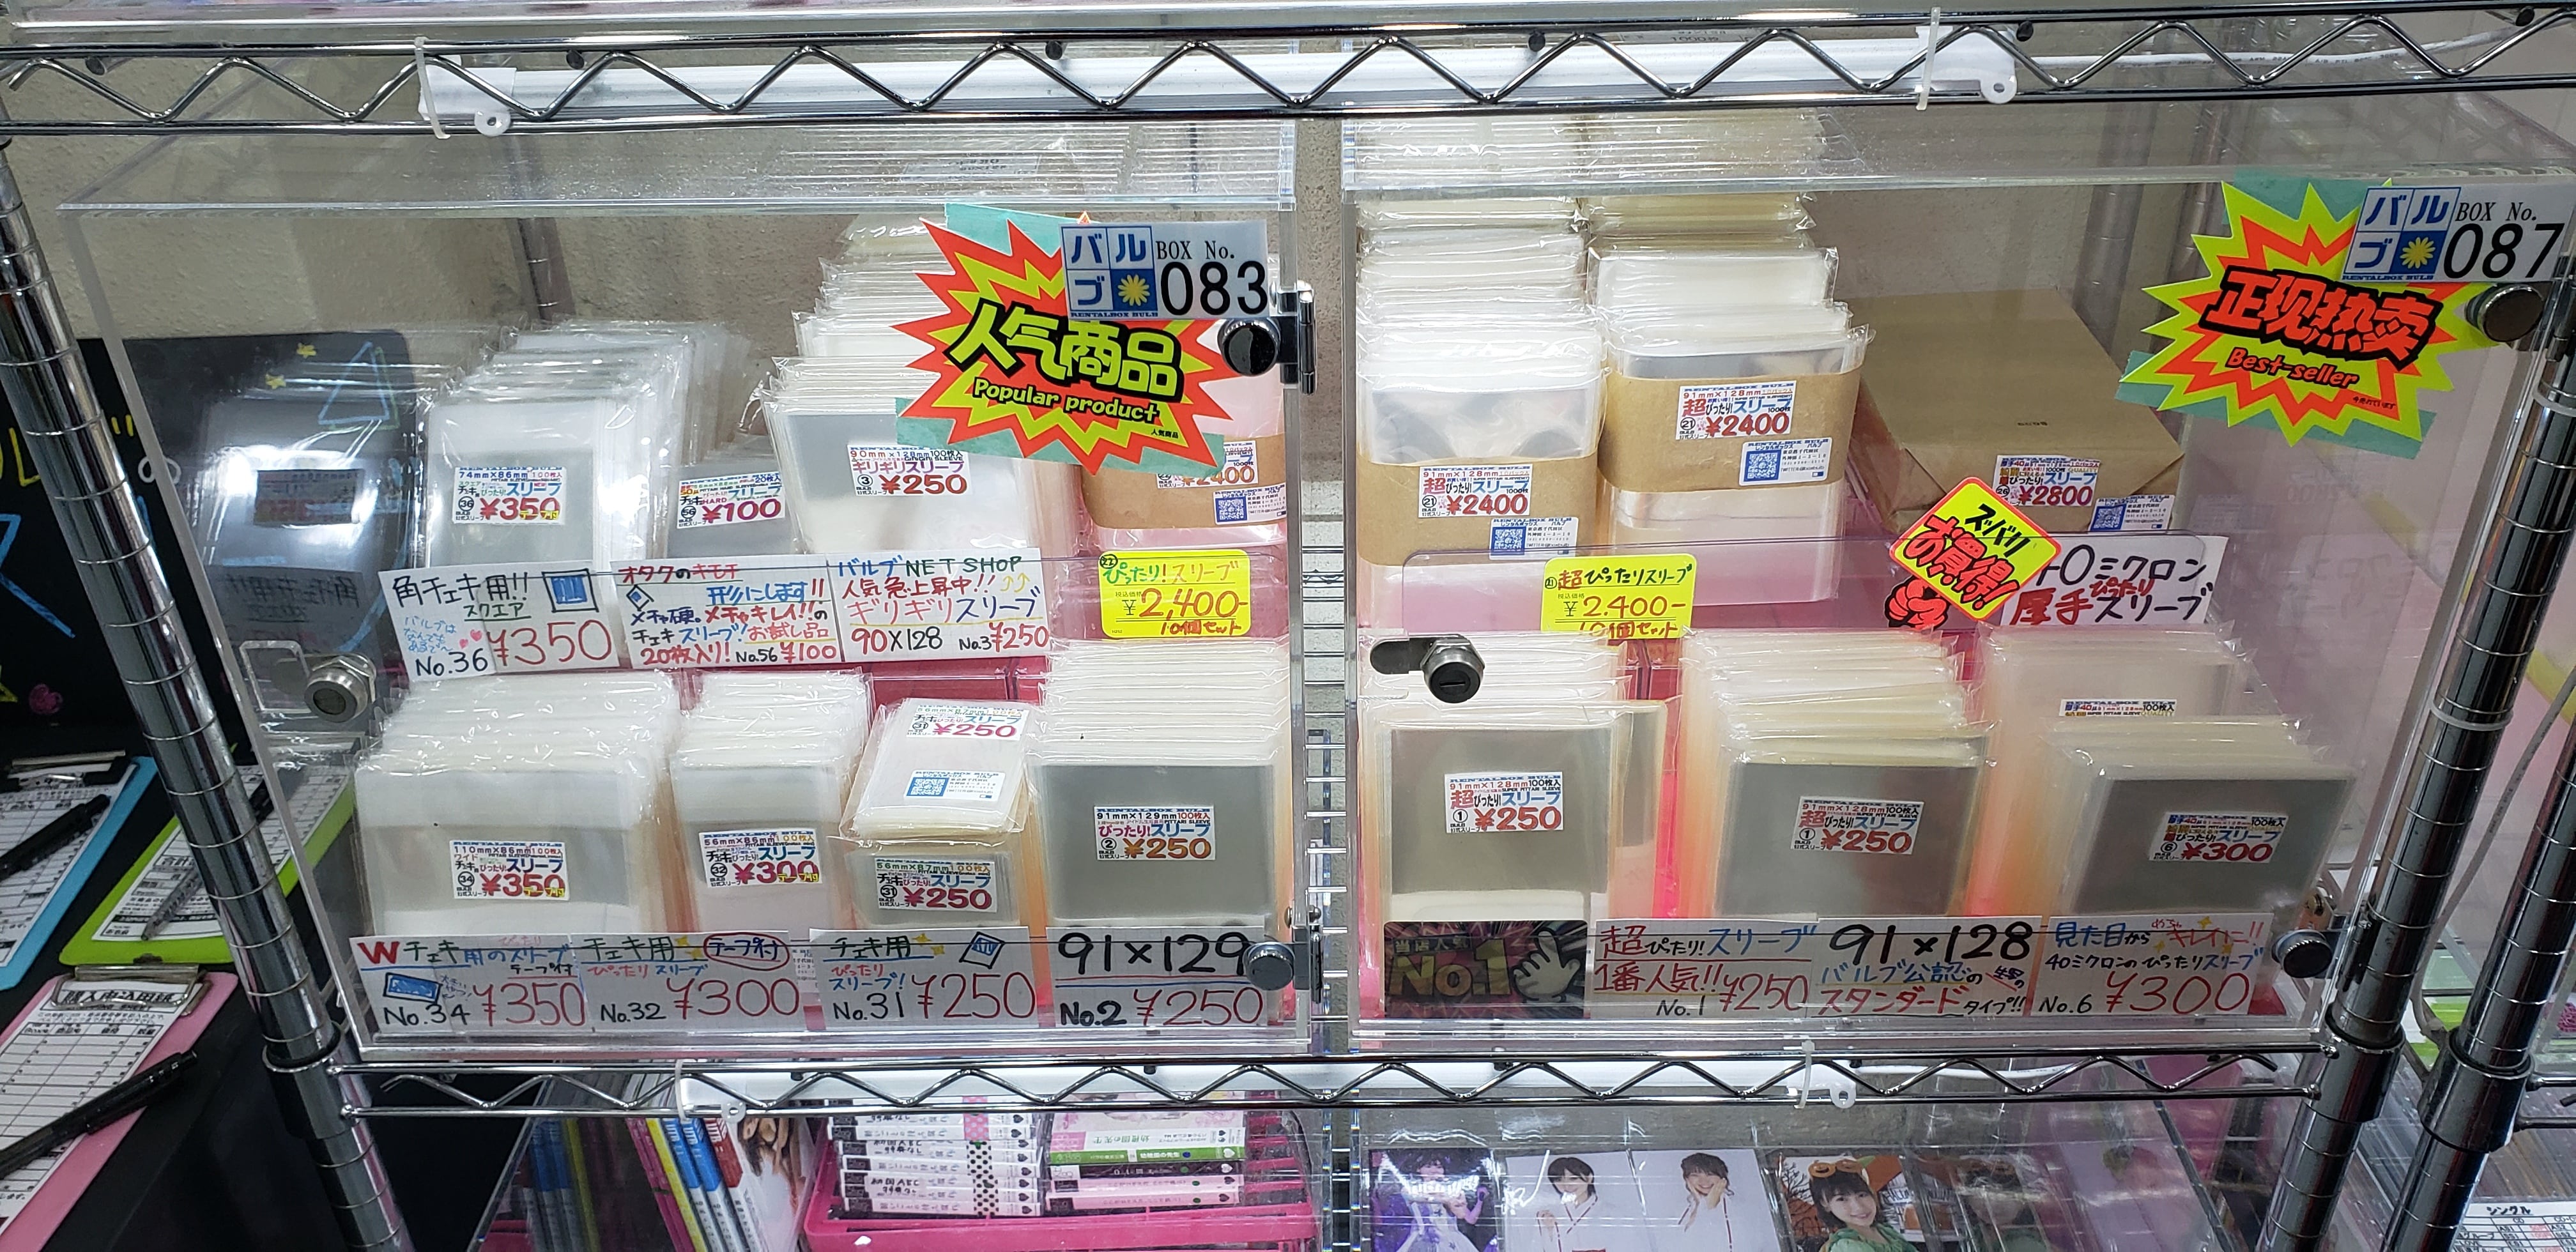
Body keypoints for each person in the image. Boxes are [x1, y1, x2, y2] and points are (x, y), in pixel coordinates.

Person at [1384, 1154, 1487, 1252]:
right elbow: (1421, 1198)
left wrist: (1480, 1200)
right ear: (1419, 1169)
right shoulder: (1410, 1190)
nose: (1434, 1170)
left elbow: (1470, 1219)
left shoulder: (1453, 1191)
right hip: (1422, 1240)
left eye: (1439, 1167)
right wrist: (1447, 1198)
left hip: (1451, 1241)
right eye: (1428, 1167)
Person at [1805, 1160, 1908, 1252]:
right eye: (1842, 1199)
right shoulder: (1847, 1247)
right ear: (1825, 1204)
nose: (1859, 1207)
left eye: (1862, 1195)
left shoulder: (1886, 1232)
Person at [1667, 1152, 1752, 1251]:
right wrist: (1701, 1205)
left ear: (1723, 1178)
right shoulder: (1680, 1210)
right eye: (1695, 1175)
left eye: (1710, 1174)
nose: (1704, 1181)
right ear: (1687, 1179)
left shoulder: (1739, 1210)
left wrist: (1708, 1208)